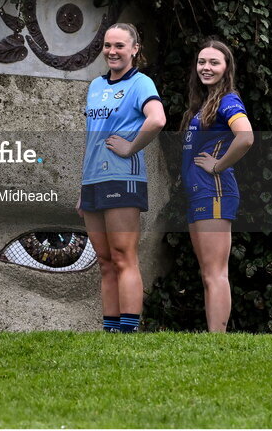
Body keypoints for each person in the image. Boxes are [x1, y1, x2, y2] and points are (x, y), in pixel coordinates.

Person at [78, 23, 166, 333]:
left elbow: (157, 119)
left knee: (123, 255)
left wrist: (131, 146)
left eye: (119, 46)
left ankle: (129, 330)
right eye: (107, 45)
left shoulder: (141, 83)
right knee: (103, 260)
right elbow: (92, 139)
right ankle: (111, 330)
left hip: (122, 180)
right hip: (93, 182)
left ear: (134, 49)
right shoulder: (95, 87)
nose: (112, 52)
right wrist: (82, 187)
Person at [180, 39, 253, 332]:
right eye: (202, 62)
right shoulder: (203, 105)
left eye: (214, 62)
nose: (206, 68)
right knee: (208, 272)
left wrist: (218, 165)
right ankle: (214, 338)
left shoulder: (227, 100)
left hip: (216, 191)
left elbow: (246, 137)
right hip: (198, 193)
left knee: (215, 272)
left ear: (226, 68)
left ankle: (217, 341)